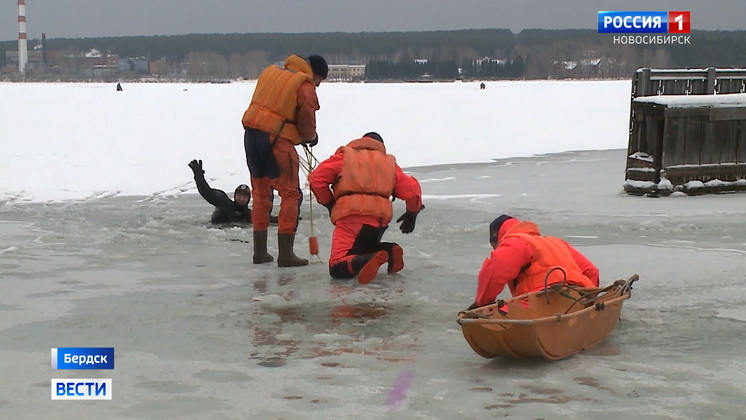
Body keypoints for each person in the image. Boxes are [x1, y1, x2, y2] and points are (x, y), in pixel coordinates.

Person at [241, 54, 328, 267]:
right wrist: (309, 137)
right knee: (291, 193)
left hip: (251, 136)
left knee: (261, 193)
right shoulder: (304, 84)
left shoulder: (271, 73)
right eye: (319, 81)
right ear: (315, 74)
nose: (317, 85)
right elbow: (306, 117)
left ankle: (259, 252)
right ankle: (285, 254)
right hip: (275, 139)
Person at [308, 132, 424, 284]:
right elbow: (412, 189)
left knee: (337, 266)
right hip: (379, 221)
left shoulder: (346, 157)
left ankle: (370, 260)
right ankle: (389, 251)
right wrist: (412, 213)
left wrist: (329, 203)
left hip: (351, 217)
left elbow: (317, 180)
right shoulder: (388, 164)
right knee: (362, 248)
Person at [470, 215, 600, 309]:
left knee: (492, 316)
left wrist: (482, 304)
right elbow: (591, 271)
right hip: (578, 297)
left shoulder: (515, 241)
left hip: (543, 301)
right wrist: (588, 300)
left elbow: (495, 272)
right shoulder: (556, 242)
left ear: (496, 239)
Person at [188, 159, 279, 225]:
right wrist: (199, 178)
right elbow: (207, 192)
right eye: (239, 195)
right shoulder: (223, 203)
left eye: (244, 196)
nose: (241, 198)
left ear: (248, 199)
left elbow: (270, 219)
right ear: (235, 196)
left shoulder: (250, 215)